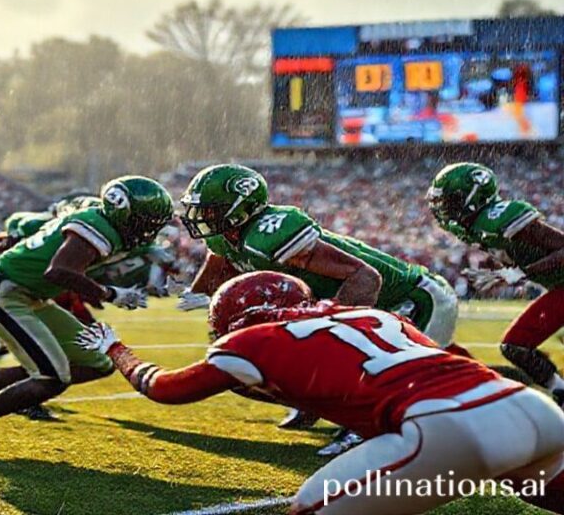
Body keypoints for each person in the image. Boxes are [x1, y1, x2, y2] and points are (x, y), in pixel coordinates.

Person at [77, 271, 564, 515]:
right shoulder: (377, 316)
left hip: (448, 427)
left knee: (311, 506)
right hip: (531, 410)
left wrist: (116, 348)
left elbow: (166, 389)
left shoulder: (250, 340)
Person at [178, 164, 458, 452]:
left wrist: (328, 332)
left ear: (240, 206)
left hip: (414, 299)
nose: (203, 217)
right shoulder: (226, 237)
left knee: (391, 378)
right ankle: (313, 404)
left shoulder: (271, 231)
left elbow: (366, 277)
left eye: (211, 209)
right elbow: (218, 265)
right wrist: (198, 294)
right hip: (352, 301)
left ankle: (372, 426)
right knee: (245, 366)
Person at [0, 176, 174, 459]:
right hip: (4, 293)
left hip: (31, 297)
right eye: (147, 221)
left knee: (96, 362)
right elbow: (57, 272)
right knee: (52, 376)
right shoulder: (97, 227)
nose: (150, 230)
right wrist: (110, 293)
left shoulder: (104, 221)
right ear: (126, 214)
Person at [428, 162, 564, 402]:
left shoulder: (499, 217)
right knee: (515, 346)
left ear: (473, 197)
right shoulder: (469, 226)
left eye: (451, 200)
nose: (444, 208)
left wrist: (523, 271)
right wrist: (505, 271)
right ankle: (560, 392)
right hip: (559, 288)